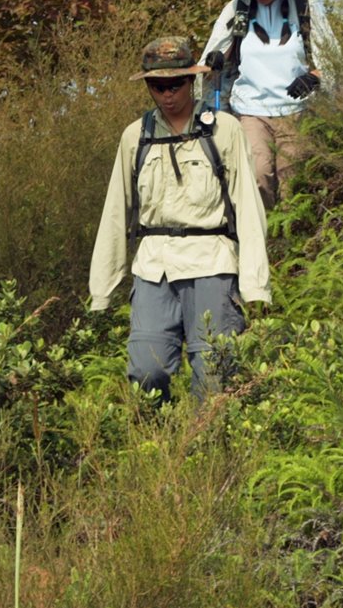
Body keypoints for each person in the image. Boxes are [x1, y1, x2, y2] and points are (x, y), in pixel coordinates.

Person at [88, 35, 271, 402]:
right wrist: (102, 289)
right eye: (158, 86)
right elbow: (116, 212)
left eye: (175, 84)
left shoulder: (223, 130)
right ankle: (160, 432)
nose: (167, 94)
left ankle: (208, 436)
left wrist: (255, 285)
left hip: (213, 263)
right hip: (154, 266)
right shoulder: (135, 136)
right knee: (146, 370)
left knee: (215, 374)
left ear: (191, 80)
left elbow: (249, 210)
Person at [202, 0, 340, 209]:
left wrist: (313, 78)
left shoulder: (305, 7)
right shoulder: (237, 10)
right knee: (258, 176)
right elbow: (211, 59)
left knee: (295, 180)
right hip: (250, 110)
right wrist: (214, 60)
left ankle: (292, 234)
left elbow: (334, 62)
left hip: (297, 111)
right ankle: (261, 233)